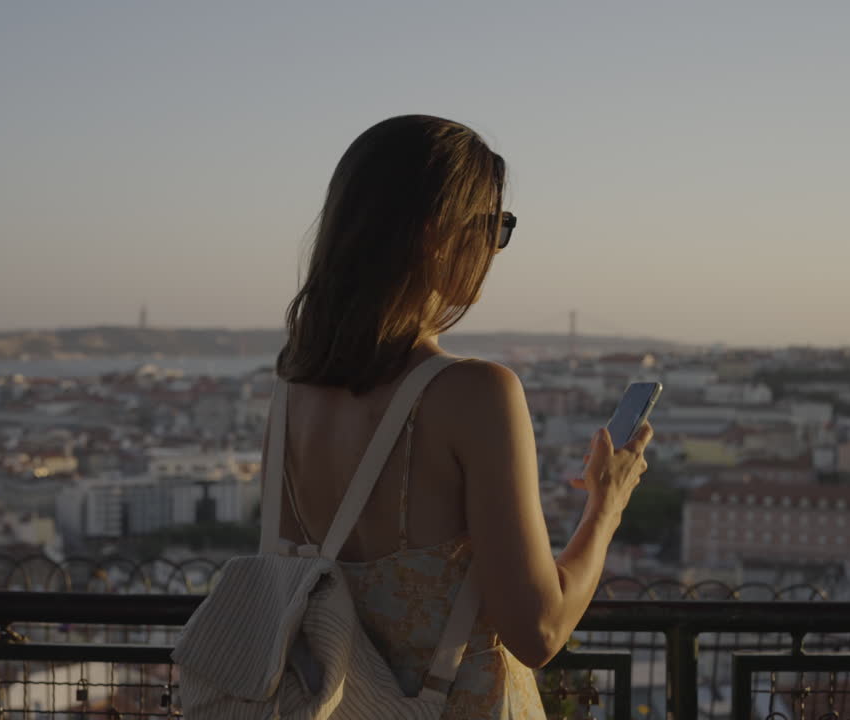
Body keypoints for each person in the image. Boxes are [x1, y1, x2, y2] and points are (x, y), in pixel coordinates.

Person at [269, 114, 654, 719]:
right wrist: (606, 507)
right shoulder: (476, 394)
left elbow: (288, 577)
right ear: (434, 234)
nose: (495, 248)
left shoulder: (291, 390)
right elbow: (539, 632)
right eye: (494, 227)